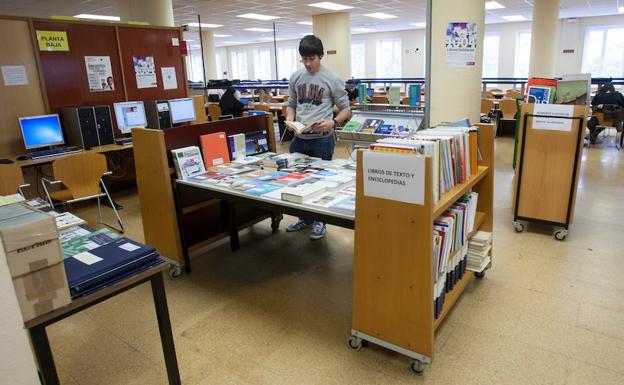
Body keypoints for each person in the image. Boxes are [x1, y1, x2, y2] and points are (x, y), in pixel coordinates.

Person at [284, 35, 351, 240]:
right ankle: (306, 218)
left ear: (320, 56)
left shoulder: (332, 78)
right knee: (299, 182)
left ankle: (321, 222)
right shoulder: (296, 77)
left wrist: (333, 122)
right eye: (304, 59)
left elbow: (346, 109)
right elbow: (291, 103)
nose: (307, 63)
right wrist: (289, 118)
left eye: (311, 59)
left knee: (321, 182)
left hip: (322, 139)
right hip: (300, 138)